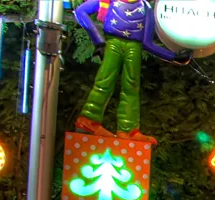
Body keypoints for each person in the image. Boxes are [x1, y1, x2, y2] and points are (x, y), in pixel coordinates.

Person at [72, 0, 190, 142]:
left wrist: (174, 57)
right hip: (113, 43)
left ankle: (128, 130)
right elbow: (80, 12)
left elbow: (147, 43)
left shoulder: (145, 7)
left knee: (132, 86)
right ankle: (88, 120)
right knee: (104, 81)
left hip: (134, 47)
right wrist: (98, 41)